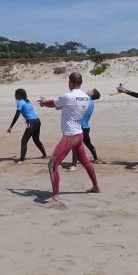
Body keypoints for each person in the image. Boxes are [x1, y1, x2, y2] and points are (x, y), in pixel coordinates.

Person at [37, 72, 100, 207]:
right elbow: (68, 107)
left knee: (53, 164)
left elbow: (52, 103)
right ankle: (95, 186)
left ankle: (55, 198)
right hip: (79, 134)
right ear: (81, 83)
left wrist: (43, 102)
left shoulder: (68, 96)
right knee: (85, 162)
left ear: (70, 82)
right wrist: (55, 105)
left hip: (70, 136)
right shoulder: (86, 98)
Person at [7, 88, 47, 162]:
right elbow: (28, 112)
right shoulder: (28, 102)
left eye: (15, 94)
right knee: (36, 139)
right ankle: (44, 155)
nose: (15, 96)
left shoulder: (20, 102)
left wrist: (11, 126)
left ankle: (21, 160)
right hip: (37, 121)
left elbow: (17, 115)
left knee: (24, 140)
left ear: (18, 95)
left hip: (32, 122)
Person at [69, 88, 101, 171]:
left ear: (92, 93)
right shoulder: (91, 102)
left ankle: (74, 165)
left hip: (81, 127)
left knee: (75, 145)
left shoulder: (86, 102)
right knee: (88, 143)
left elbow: (76, 108)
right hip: (86, 127)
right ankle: (96, 158)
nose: (88, 90)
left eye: (91, 90)